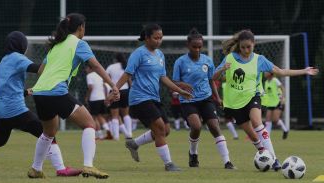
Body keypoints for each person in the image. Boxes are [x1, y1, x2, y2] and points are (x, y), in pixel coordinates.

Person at [28, 13, 119, 179]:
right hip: (56, 91)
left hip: (39, 92)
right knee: (89, 124)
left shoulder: (56, 46)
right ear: (80, 28)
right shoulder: (79, 43)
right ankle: (89, 166)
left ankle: (36, 168)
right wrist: (113, 85)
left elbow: (41, 71)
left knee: (49, 132)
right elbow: (96, 66)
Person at [213, 29, 318, 171]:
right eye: (243, 47)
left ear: (254, 44)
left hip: (253, 96)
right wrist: (222, 69)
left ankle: (274, 160)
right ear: (239, 45)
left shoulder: (259, 60)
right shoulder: (230, 58)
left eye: (248, 47)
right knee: (252, 136)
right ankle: (264, 154)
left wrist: (304, 71)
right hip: (234, 103)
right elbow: (213, 77)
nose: (246, 50)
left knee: (257, 121)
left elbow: (281, 71)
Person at [0, 31, 81, 177]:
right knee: (48, 133)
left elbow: (8, 88)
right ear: (21, 44)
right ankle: (61, 169)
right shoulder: (17, 58)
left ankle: (46, 169)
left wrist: (28, 91)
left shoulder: (4, 60)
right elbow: (40, 70)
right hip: (16, 109)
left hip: (2, 109)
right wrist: (54, 59)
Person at [115, 23, 193, 171]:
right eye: (156, 38)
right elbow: (127, 73)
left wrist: (179, 90)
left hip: (154, 98)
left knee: (166, 130)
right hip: (139, 99)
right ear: (147, 38)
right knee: (159, 128)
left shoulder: (160, 55)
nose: (159, 41)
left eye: (161, 38)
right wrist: (115, 89)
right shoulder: (138, 54)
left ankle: (134, 143)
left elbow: (163, 77)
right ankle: (169, 164)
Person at [172, 28, 236, 169]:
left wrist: (217, 98)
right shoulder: (180, 62)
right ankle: (193, 153)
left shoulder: (207, 61)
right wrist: (182, 85)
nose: (197, 49)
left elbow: (211, 80)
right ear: (188, 45)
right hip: (188, 100)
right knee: (196, 126)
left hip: (206, 99)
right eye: (194, 47)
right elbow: (174, 82)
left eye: (200, 47)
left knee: (214, 126)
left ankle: (227, 161)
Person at [106, 53, 132, 140]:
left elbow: (107, 79)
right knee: (126, 114)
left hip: (114, 90)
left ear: (115, 59)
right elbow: (129, 80)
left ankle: (116, 136)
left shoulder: (111, 67)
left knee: (114, 115)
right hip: (125, 91)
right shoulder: (126, 66)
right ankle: (129, 133)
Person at [84, 64, 112, 140]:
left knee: (94, 117)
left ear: (90, 68)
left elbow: (90, 87)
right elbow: (103, 86)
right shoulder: (99, 75)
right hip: (102, 98)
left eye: (86, 68)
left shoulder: (89, 76)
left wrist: (87, 97)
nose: (86, 70)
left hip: (94, 99)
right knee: (100, 116)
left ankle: (99, 135)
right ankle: (108, 131)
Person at [261, 72, 289, 139]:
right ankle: (267, 136)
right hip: (270, 103)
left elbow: (282, 88)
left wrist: (283, 97)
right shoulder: (266, 82)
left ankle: (285, 130)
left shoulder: (275, 80)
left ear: (270, 74)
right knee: (267, 119)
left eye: (266, 72)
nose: (265, 73)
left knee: (275, 119)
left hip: (277, 102)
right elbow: (267, 93)